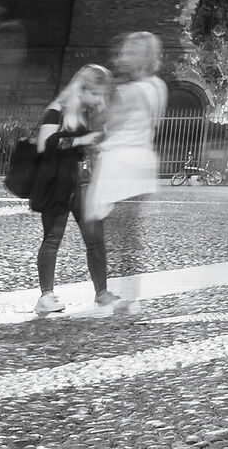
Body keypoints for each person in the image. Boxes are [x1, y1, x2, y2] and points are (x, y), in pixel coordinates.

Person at [87, 31, 167, 308]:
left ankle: (125, 297)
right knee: (127, 234)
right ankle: (130, 294)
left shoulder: (129, 92)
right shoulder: (158, 86)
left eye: (129, 52)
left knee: (117, 236)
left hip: (121, 168)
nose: (122, 57)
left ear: (141, 58)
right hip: (143, 163)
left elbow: (102, 121)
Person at [30, 63, 117, 316]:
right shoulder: (57, 110)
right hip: (58, 183)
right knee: (52, 239)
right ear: (82, 89)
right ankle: (46, 296)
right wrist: (82, 140)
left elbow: (83, 147)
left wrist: (99, 140)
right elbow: (44, 145)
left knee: (95, 240)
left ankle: (102, 292)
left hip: (83, 183)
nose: (98, 99)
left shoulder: (85, 114)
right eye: (96, 93)